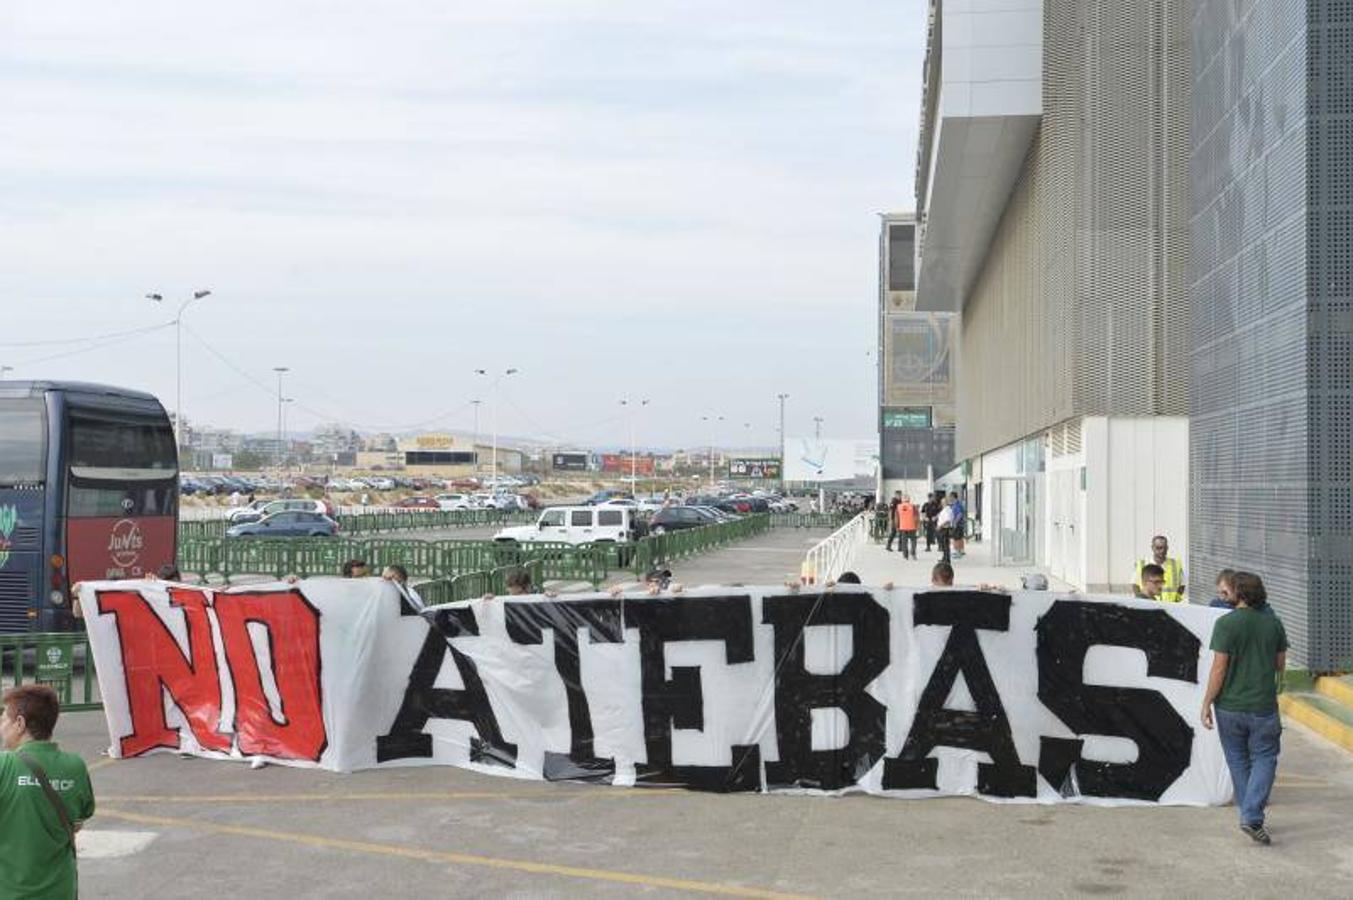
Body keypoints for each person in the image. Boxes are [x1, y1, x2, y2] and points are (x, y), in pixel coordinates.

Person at [1201, 572, 1287, 845]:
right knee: (1265, 757)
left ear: (1238, 594)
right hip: (1263, 705)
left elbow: (1219, 668)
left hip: (1229, 705)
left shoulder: (1226, 624)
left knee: (1238, 759)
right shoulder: (1273, 624)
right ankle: (1251, 815)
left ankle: (1249, 813)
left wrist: (1206, 703)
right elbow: (1280, 664)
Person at [1, 685, 96, 899]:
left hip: (10, 891)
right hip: (60, 890)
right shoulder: (75, 766)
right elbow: (78, 820)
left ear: (19, 724)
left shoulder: (4, 765)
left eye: (3, 719)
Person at [1134, 535, 1185, 602]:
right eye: (1159, 548)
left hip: (1169, 605)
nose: (1162, 551)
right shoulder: (1141, 564)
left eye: (1164, 548)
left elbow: (1182, 585)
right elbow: (1135, 585)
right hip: (1148, 602)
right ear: (1152, 548)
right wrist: (1141, 600)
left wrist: (1176, 600)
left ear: (1167, 548)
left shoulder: (1175, 564)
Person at [896, 495, 919, 559]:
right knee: (913, 541)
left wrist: (897, 526)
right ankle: (913, 553)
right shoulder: (913, 506)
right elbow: (916, 516)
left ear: (902, 500)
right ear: (909, 500)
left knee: (904, 542)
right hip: (912, 526)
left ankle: (905, 555)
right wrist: (917, 525)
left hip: (903, 527)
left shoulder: (899, 507)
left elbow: (897, 518)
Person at [935, 496, 955, 564]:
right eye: (942, 502)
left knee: (945, 545)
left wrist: (940, 526)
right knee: (944, 545)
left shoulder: (947, 510)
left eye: (943, 502)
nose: (942, 503)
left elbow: (947, 521)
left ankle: (946, 559)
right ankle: (944, 558)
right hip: (943, 528)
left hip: (944, 529)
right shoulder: (945, 509)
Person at [948, 492, 967, 559]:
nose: (949, 498)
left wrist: (955, 522)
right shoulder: (957, 504)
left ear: (953, 497)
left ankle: (958, 552)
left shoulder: (957, 505)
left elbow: (960, 514)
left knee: (957, 538)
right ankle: (961, 551)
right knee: (960, 538)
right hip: (959, 524)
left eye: (950, 497)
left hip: (958, 524)